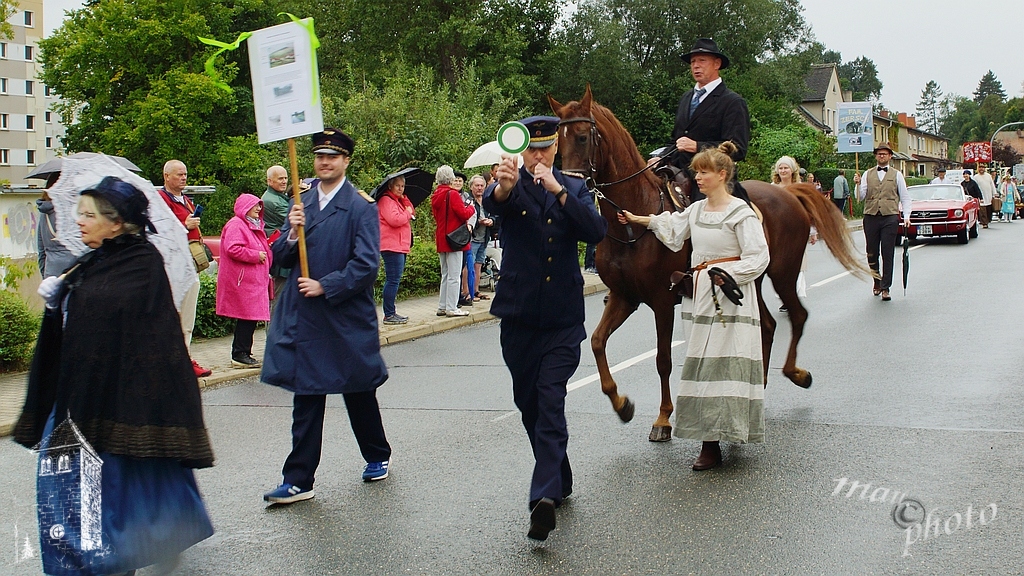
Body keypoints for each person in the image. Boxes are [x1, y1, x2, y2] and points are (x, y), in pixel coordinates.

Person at [16, 176, 214, 575]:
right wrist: (60, 299)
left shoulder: (142, 262)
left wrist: (73, 297)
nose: (79, 221)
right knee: (69, 492)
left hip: (121, 404)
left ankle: (115, 559)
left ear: (117, 222)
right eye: (79, 213)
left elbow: (121, 320)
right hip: (79, 395)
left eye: (89, 215)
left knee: (111, 498)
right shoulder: (94, 260)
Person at [483, 115, 607, 541]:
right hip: (519, 316)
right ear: (522, 151)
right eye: (531, 149)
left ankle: (544, 497)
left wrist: (559, 191)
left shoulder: (572, 187)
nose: (538, 156)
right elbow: (495, 203)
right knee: (530, 405)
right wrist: (503, 186)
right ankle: (560, 475)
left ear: (556, 148)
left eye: (545, 148)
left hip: (561, 318)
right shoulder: (510, 183)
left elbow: (596, 230)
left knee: (551, 401)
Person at [618, 141, 769, 471]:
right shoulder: (697, 210)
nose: (697, 178)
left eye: (703, 172)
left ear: (722, 175)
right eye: (696, 172)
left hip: (730, 298)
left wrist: (727, 274)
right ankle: (709, 440)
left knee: (726, 365)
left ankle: (723, 435)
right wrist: (638, 219)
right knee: (702, 363)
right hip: (701, 296)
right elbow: (672, 228)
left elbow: (759, 257)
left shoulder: (741, 213)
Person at [262, 128, 393, 505]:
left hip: (344, 315)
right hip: (306, 317)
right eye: (320, 156)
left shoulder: (361, 207)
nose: (325, 162)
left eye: (333, 156)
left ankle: (377, 454)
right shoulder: (300, 202)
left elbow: (367, 265)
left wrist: (326, 285)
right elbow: (278, 259)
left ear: (345, 161)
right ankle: (298, 479)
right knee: (307, 395)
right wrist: (291, 234)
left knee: (358, 390)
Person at [655, 38, 750, 204]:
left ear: (717, 64)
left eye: (702, 60)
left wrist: (697, 147)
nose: (696, 66)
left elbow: (738, 149)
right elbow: (676, 140)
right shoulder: (686, 98)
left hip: (713, 179)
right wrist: (660, 157)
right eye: (693, 62)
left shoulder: (733, 102)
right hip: (677, 171)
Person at [158, 159, 212, 377]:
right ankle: (175, 361)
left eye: (185, 174)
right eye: (179, 174)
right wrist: (184, 226)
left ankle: (184, 358)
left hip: (188, 263)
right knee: (175, 314)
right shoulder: (161, 200)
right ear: (166, 176)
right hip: (173, 265)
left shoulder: (187, 200)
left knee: (187, 315)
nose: (183, 178)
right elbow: (158, 232)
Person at [217, 193, 272, 368]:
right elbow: (233, 248)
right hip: (244, 280)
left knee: (250, 317)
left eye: (259, 205)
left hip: (252, 280)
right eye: (255, 205)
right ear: (245, 207)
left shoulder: (251, 224)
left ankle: (244, 352)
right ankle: (240, 354)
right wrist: (256, 255)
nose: (259, 208)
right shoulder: (236, 224)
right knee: (247, 317)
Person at [854, 142, 911, 302]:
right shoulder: (867, 174)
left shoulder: (897, 175)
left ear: (890, 156)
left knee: (888, 252)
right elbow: (860, 197)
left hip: (890, 216)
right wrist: (857, 184)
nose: (881, 156)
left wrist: (906, 216)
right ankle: (876, 280)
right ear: (876, 156)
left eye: (884, 153)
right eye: (879, 153)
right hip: (871, 216)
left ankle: (886, 287)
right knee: (871, 252)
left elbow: (905, 197)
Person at [771, 156, 816, 310]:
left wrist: (812, 232)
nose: (783, 171)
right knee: (780, 265)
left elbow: (809, 211)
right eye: (781, 168)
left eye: (786, 168)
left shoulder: (800, 188)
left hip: (796, 231)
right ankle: (784, 297)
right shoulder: (772, 188)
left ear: (792, 170)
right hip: (778, 232)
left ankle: (793, 297)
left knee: (796, 264)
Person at [431, 165, 476, 317]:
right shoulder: (453, 194)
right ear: (450, 178)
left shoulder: (436, 194)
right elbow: (463, 214)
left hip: (441, 237)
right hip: (454, 238)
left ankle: (442, 306)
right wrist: (471, 208)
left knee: (445, 274)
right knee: (454, 275)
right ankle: (451, 307)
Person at [378, 174, 415, 324]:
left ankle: (391, 311)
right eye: (397, 186)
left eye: (402, 186)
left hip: (399, 245)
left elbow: (412, 211)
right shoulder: (386, 200)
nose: (400, 189)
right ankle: (388, 314)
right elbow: (395, 220)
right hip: (391, 246)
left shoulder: (397, 201)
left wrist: (405, 201)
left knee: (395, 279)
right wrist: (407, 212)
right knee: (392, 280)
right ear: (390, 186)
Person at [262, 165, 291, 312]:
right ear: (269, 181)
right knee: (280, 299)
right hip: (282, 254)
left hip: (284, 251)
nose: (284, 181)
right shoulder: (272, 201)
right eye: (280, 178)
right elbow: (295, 220)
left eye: (285, 178)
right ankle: (274, 327)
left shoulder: (278, 197)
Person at [35, 185, 76, 278]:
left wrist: (45, 274)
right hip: (72, 271)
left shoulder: (44, 214)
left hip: (51, 272)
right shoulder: (71, 212)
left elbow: (41, 250)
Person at [467, 174, 494, 301]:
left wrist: (491, 220)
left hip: (484, 238)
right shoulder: (468, 200)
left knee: (478, 265)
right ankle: (467, 292)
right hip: (472, 238)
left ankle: (476, 290)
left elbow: (495, 214)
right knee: (469, 266)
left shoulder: (487, 200)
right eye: (477, 185)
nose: (479, 188)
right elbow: (467, 218)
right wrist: (478, 222)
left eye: (482, 185)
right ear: (471, 187)